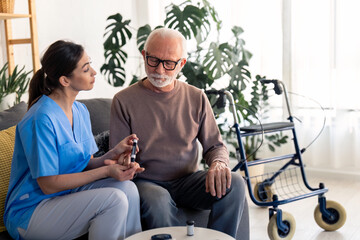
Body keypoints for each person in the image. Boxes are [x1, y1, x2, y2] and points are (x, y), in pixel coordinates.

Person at [110, 28, 249, 239]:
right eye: (153, 60)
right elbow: (117, 155)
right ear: (144, 55)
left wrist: (218, 163)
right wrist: (125, 161)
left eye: (169, 63)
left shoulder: (196, 97)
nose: (160, 70)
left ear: (181, 64)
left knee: (236, 183)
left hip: (188, 181)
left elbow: (215, 146)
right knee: (157, 200)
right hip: (148, 182)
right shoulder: (123, 100)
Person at [4, 40, 144, 240]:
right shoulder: (41, 119)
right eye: (86, 69)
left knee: (127, 188)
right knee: (113, 199)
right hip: (32, 211)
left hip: (66, 196)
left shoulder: (79, 111)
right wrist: (106, 171)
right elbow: (49, 184)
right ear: (65, 80)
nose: (94, 72)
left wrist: (114, 153)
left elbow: (83, 164)